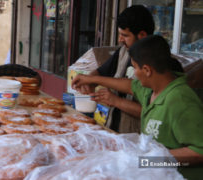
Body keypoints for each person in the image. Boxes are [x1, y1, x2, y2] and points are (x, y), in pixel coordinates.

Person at [72, 35, 203, 180]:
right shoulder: (151, 89)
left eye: (134, 68)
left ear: (147, 70)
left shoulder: (180, 100)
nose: (134, 74)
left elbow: (199, 152)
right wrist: (92, 79)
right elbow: (129, 85)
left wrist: (148, 160)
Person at [76, 5, 155, 133]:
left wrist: (116, 101)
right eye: (119, 34)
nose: (120, 40)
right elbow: (102, 72)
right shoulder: (123, 51)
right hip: (114, 131)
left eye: (125, 35)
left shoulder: (155, 63)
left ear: (142, 35)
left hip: (136, 138)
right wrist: (90, 81)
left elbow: (152, 112)